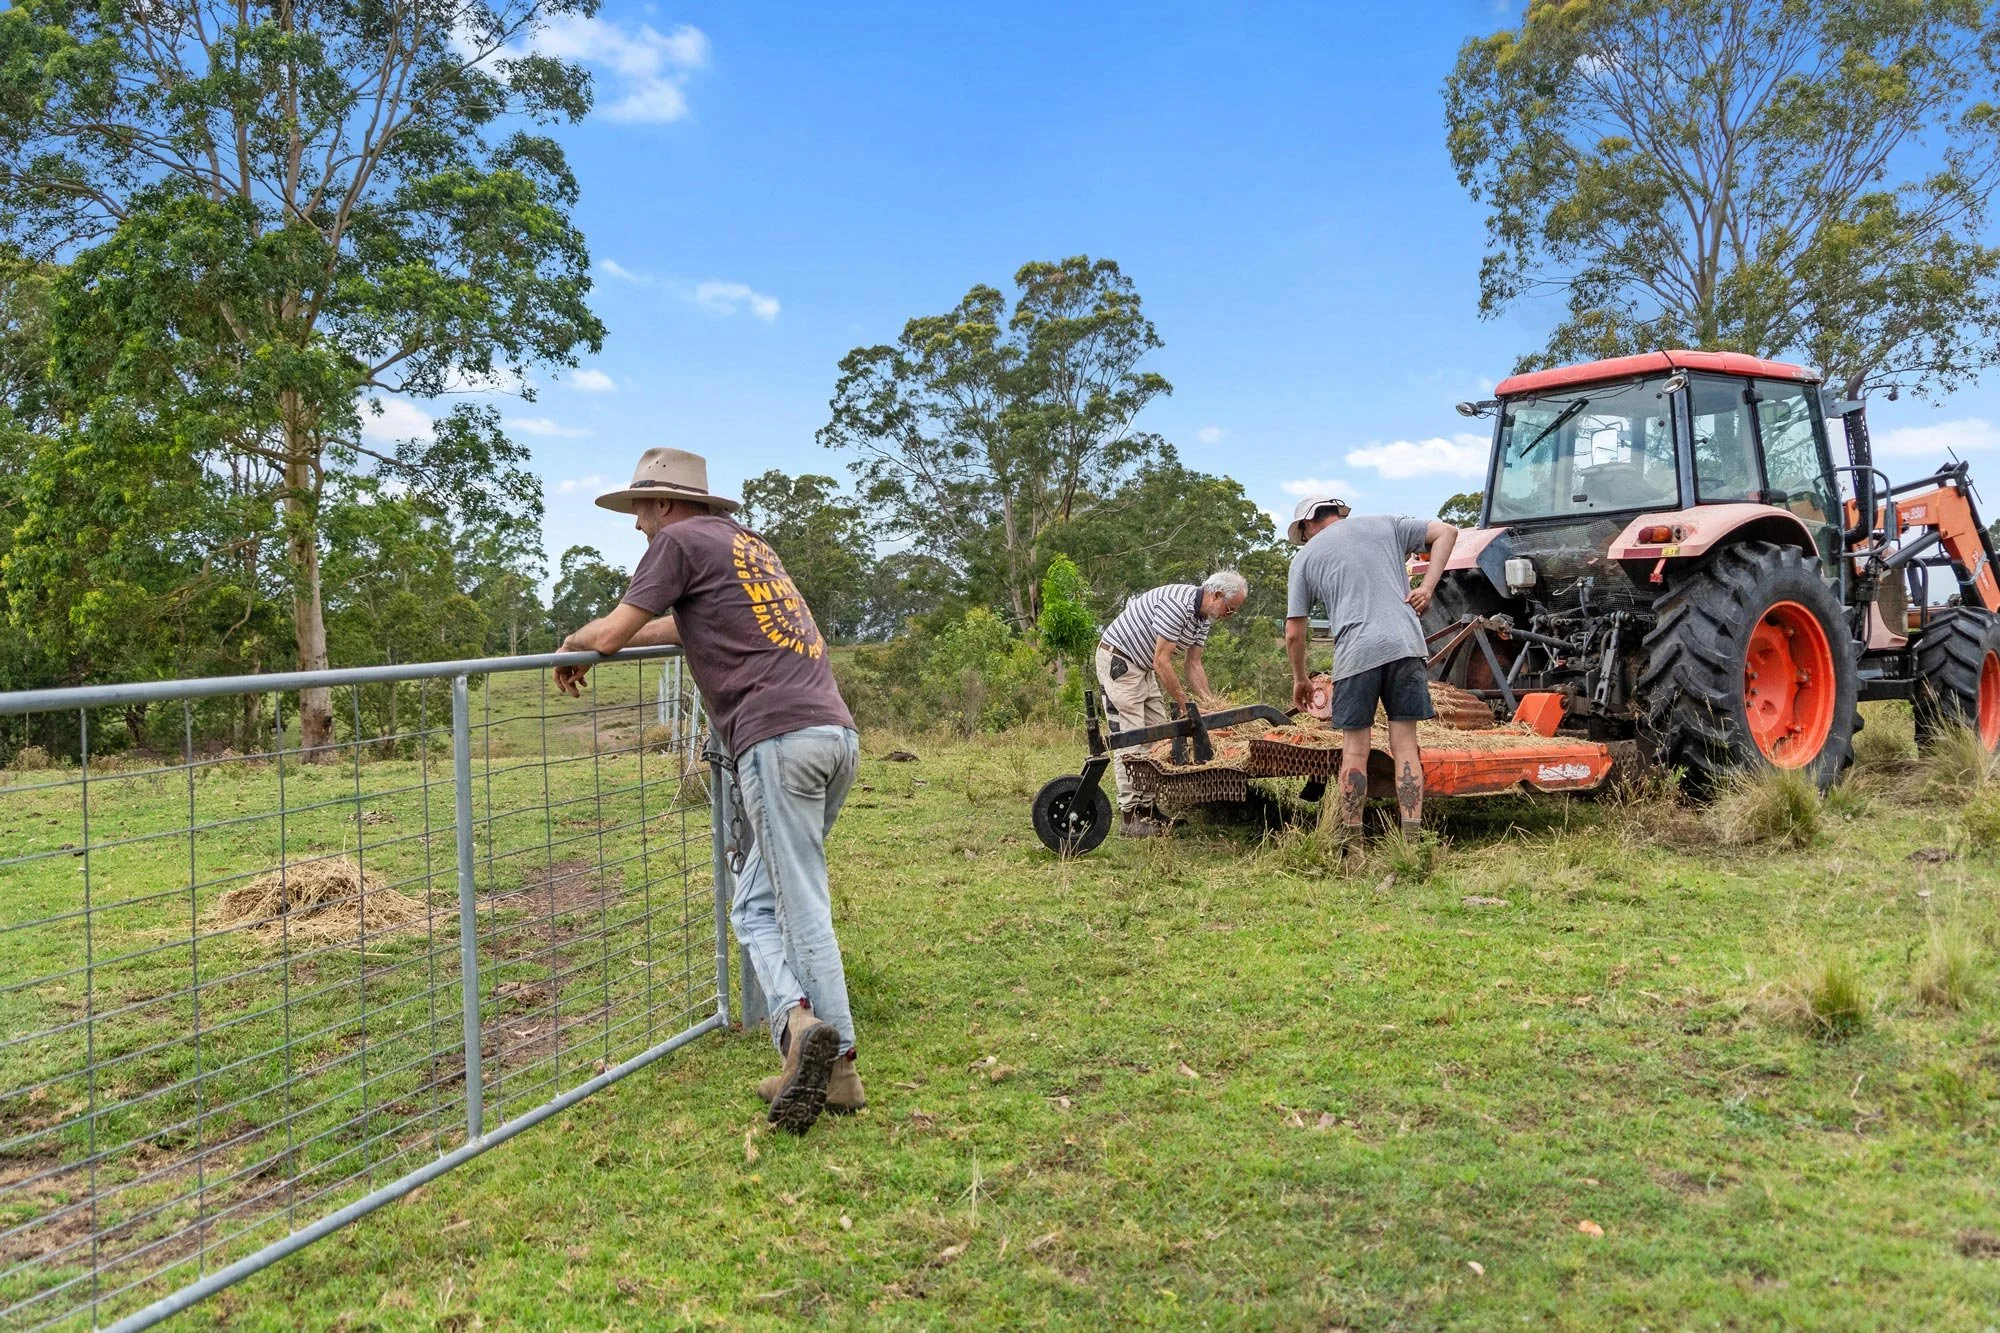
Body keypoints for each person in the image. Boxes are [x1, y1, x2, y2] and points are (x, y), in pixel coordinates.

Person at [554, 447, 863, 1136]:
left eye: (638, 508)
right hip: (833, 735)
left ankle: (837, 1060)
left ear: (663, 503)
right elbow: (668, 626)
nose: (636, 524)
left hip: (775, 740)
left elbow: (612, 632)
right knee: (755, 903)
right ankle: (800, 1030)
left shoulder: (676, 541)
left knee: (799, 903)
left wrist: (578, 642)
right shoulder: (743, 544)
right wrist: (603, 637)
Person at [1283, 495, 1459, 846]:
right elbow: (1448, 532)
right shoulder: (1387, 523)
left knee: (1355, 750)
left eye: (1303, 535)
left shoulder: (1304, 559)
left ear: (1307, 524)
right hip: (1405, 646)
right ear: (1337, 513)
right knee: (1406, 746)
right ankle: (1411, 840)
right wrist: (1426, 588)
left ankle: (1353, 843)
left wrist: (1301, 679)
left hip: (1356, 655)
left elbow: (1293, 633)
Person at [1094, 571, 1248, 837]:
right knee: (1132, 739)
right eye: (1230, 609)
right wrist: (1185, 705)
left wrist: (1209, 705)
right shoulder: (1178, 606)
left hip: (1143, 667)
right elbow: (1162, 661)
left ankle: (1149, 811)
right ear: (1217, 595)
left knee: (1159, 737)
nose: (1228, 615)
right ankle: (1130, 818)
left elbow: (1194, 663)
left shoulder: (1203, 619)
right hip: (1121, 661)